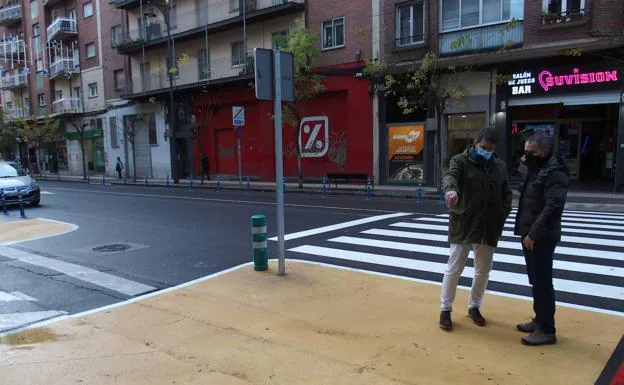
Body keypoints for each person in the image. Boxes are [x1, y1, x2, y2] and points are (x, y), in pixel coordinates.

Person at [440, 128, 512, 331]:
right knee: (454, 268)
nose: (486, 151)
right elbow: (450, 176)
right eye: (482, 147)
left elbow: (506, 191)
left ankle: (474, 307)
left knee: (482, 271)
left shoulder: (499, 166)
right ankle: (445, 309)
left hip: (488, 225)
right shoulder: (460, 161)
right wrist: (451, 189)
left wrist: (503, 212)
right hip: (464, 222)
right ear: (475, 143)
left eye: (490, 149)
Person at [514, 132, 568, 346]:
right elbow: (526, 194)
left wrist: (533, 235)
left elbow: (553, 207)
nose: (528, 155)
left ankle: (547, 329)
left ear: (544, 151)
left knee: (543, 282)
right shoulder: (537, 168)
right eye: (526, 151)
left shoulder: (555, 172)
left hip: (541, 236)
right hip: (530, 232)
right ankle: (540, 320)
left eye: (532, 152)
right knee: (535, 280)